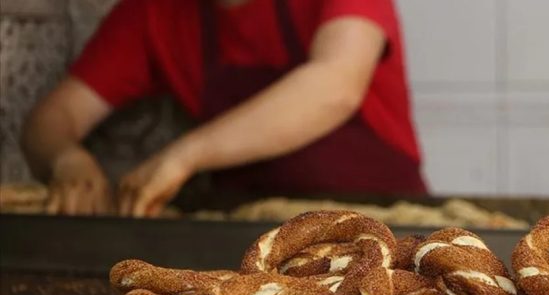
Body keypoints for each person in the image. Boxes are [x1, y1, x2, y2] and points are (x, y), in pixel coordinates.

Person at [21, 0, 427, 217]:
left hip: (385, 232)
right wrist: (65, 159)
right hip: (242, 246)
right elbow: (51, 119)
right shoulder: (152, 12)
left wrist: (185, 156)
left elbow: (335, 85)